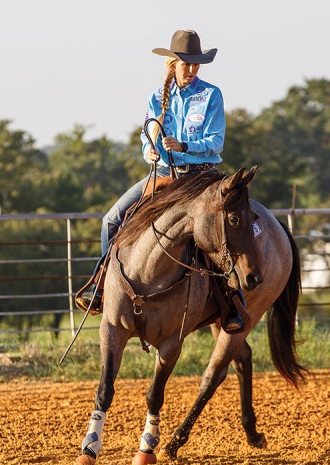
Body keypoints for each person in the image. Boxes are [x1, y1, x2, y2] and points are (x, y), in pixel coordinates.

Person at [76, 29, 244, 333]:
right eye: (185, 64)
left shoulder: (211, 95)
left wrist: (184, 147)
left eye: (195, 64)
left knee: (212, 234)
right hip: (165, 176)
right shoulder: (157, 97)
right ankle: (101, 286)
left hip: (199, 177)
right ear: (173, 64)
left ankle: (231, 301)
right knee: (112, 219)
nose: (191, 70)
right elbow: (146, 135)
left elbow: (216, 142)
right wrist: (149, 151)